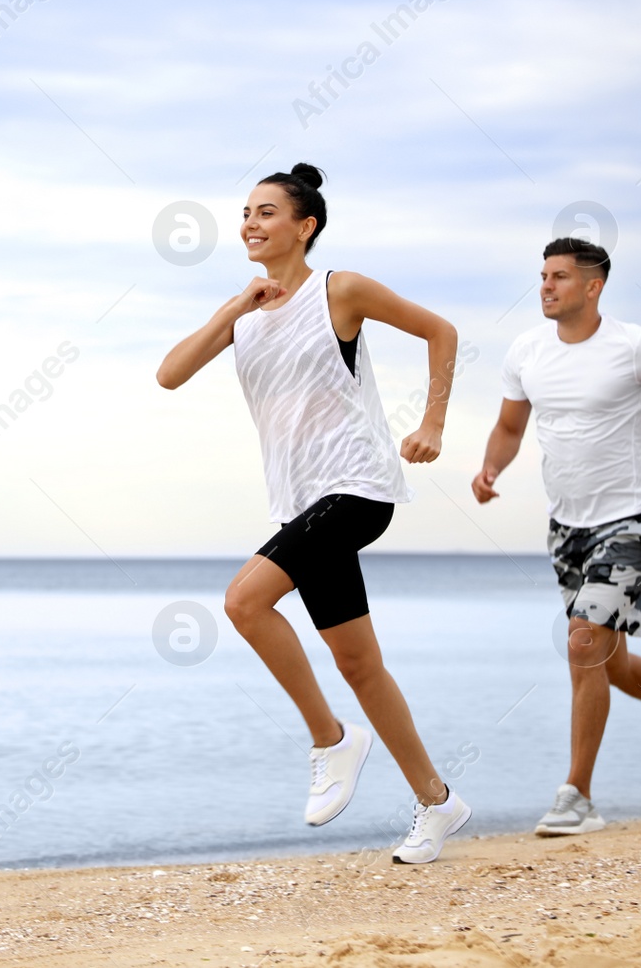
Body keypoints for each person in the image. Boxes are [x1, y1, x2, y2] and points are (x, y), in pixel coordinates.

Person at [157, 163, 471, 864]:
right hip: (303, 504)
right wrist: (233, 310)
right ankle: (438, 800)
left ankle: (332, 738)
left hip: (357, 488)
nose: (250, 223)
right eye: (245, 212)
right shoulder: (246, 318)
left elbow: (441, 331)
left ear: (306, 226)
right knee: (359, 662)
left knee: (244, 601)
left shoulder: (340, 291)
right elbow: (169, 372)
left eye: (267, 212)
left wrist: (433, 424)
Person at [472, 237, 641, 836]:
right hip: (568, 527)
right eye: (542, 276)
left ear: (593, 286)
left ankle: (577, 796)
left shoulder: (636, 347)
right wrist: (491, 469)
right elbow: (510, 425)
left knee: (582, 646)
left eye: (559, 277)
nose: (546, 286)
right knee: (608, 662)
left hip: (633, 520)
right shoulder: (528, 351)